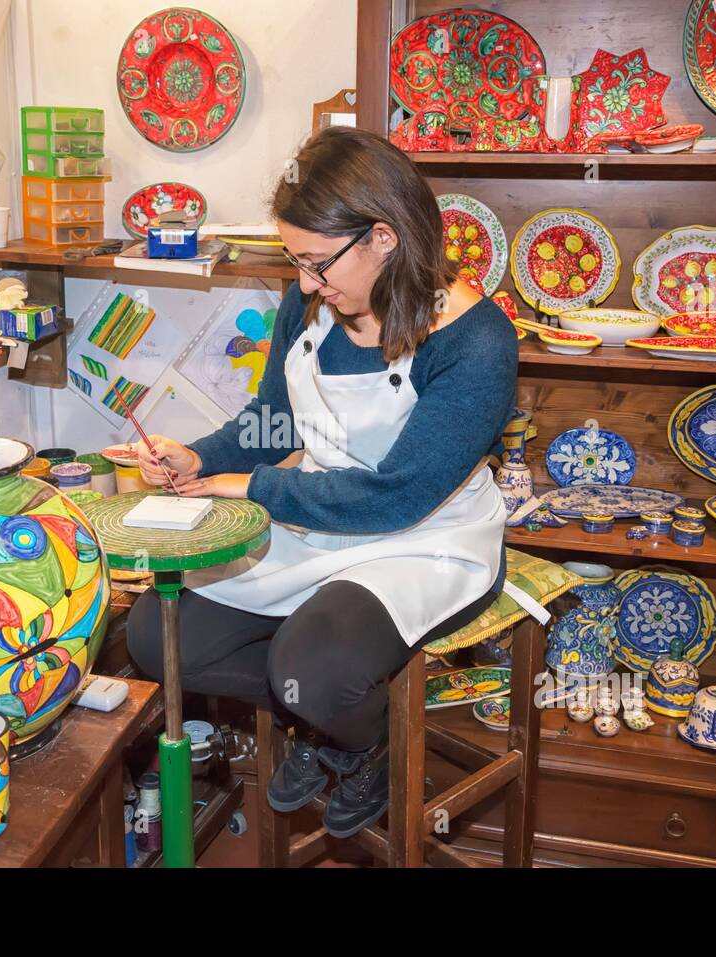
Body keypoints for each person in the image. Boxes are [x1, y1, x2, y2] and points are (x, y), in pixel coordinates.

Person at [126, 126, 518, 839]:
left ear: (383, 237)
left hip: (426, 535)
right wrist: (202, 457)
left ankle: (361, 738)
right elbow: (273, 418)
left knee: (307, 666)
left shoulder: (476, 340)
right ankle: (334, 725)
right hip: (323, 510)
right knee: (157, 629)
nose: (305, 283)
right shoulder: (312, 303)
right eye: (295, 261)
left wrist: (256, 489)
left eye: (315, 263)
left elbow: (398, 494)